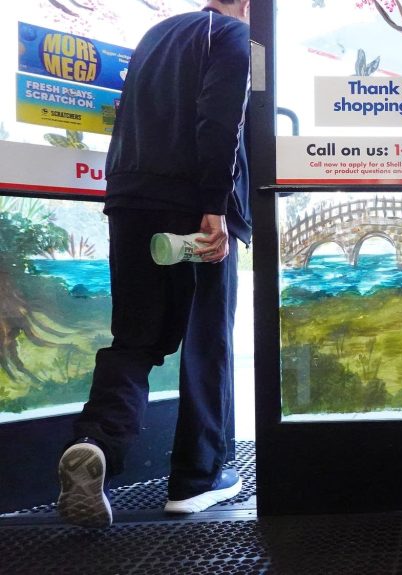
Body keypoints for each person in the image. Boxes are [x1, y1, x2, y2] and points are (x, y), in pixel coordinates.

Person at [56, 0, 252, 528]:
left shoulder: (157, 35)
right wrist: (216, 206)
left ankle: (96, 443)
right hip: (191, 208)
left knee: (135, 339)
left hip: (130, 199)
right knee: (206, 339)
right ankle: (198, 478)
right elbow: (222, 120)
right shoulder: (229, 34)